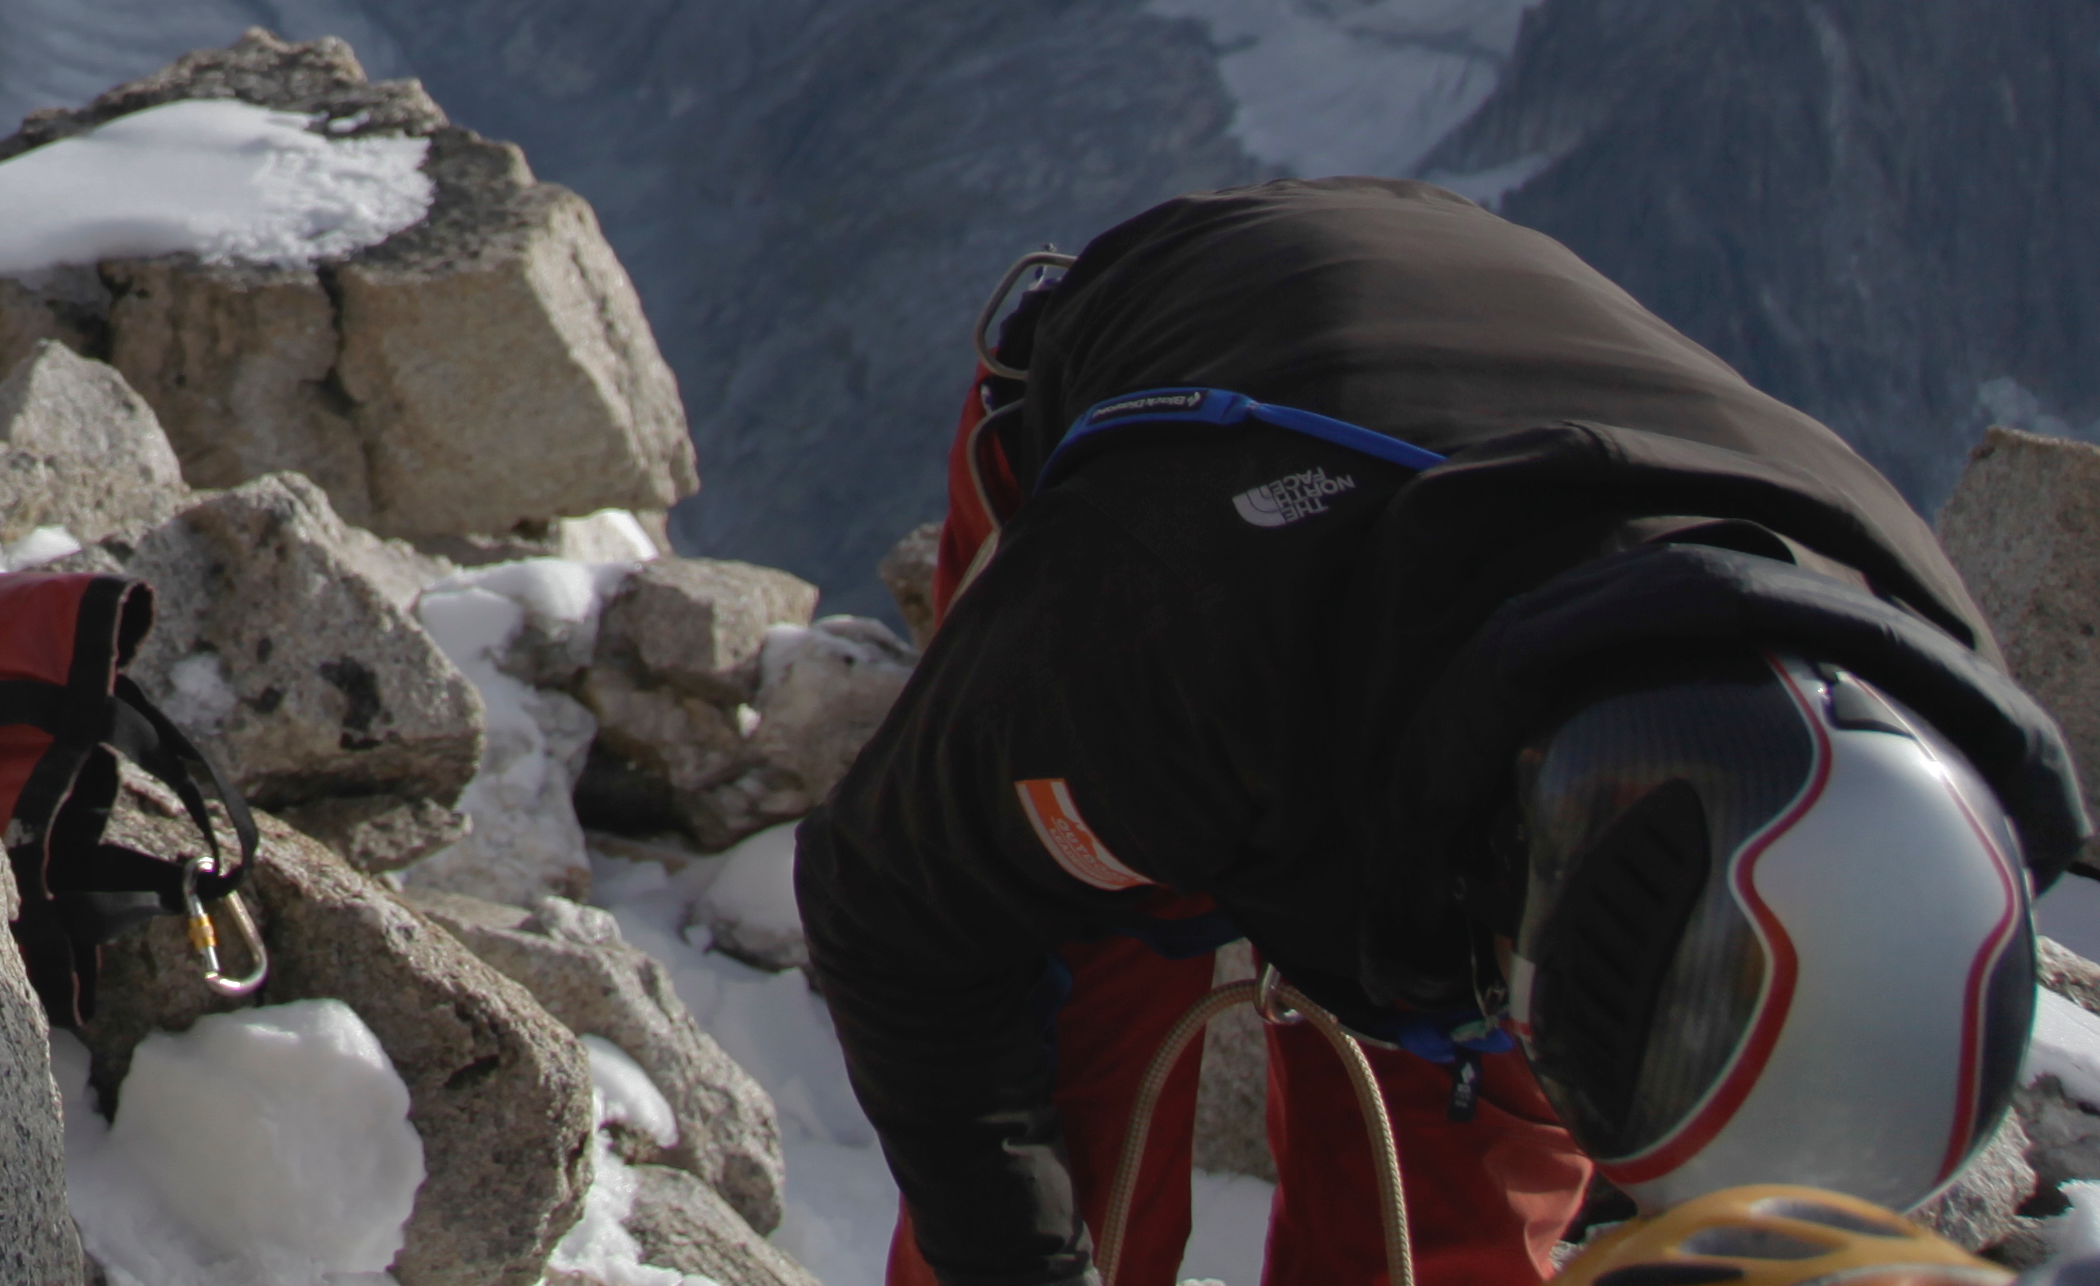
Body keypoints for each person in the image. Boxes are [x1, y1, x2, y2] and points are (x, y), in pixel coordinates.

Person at [805, 178, 2080, 1286]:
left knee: (1445, 1236)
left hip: (1455, 590)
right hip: (1213, 458)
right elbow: (902, 907)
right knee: (1070, 1095)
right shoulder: (1165, 625)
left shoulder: (1923, 705)